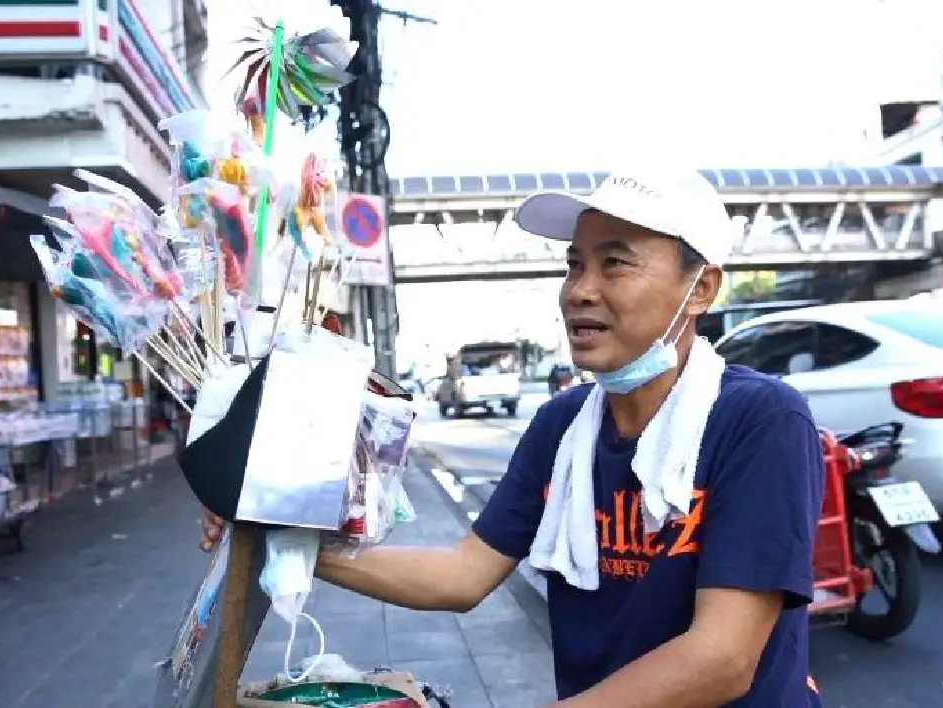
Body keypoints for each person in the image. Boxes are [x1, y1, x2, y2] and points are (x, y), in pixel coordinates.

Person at [312, 165, 826, 706]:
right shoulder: (562, 425)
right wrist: (293, 545)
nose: (580, 291)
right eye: (575, 265)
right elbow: (464, 573)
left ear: (700, 289)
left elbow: (722, 658)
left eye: (615, 264)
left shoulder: (760, 420)